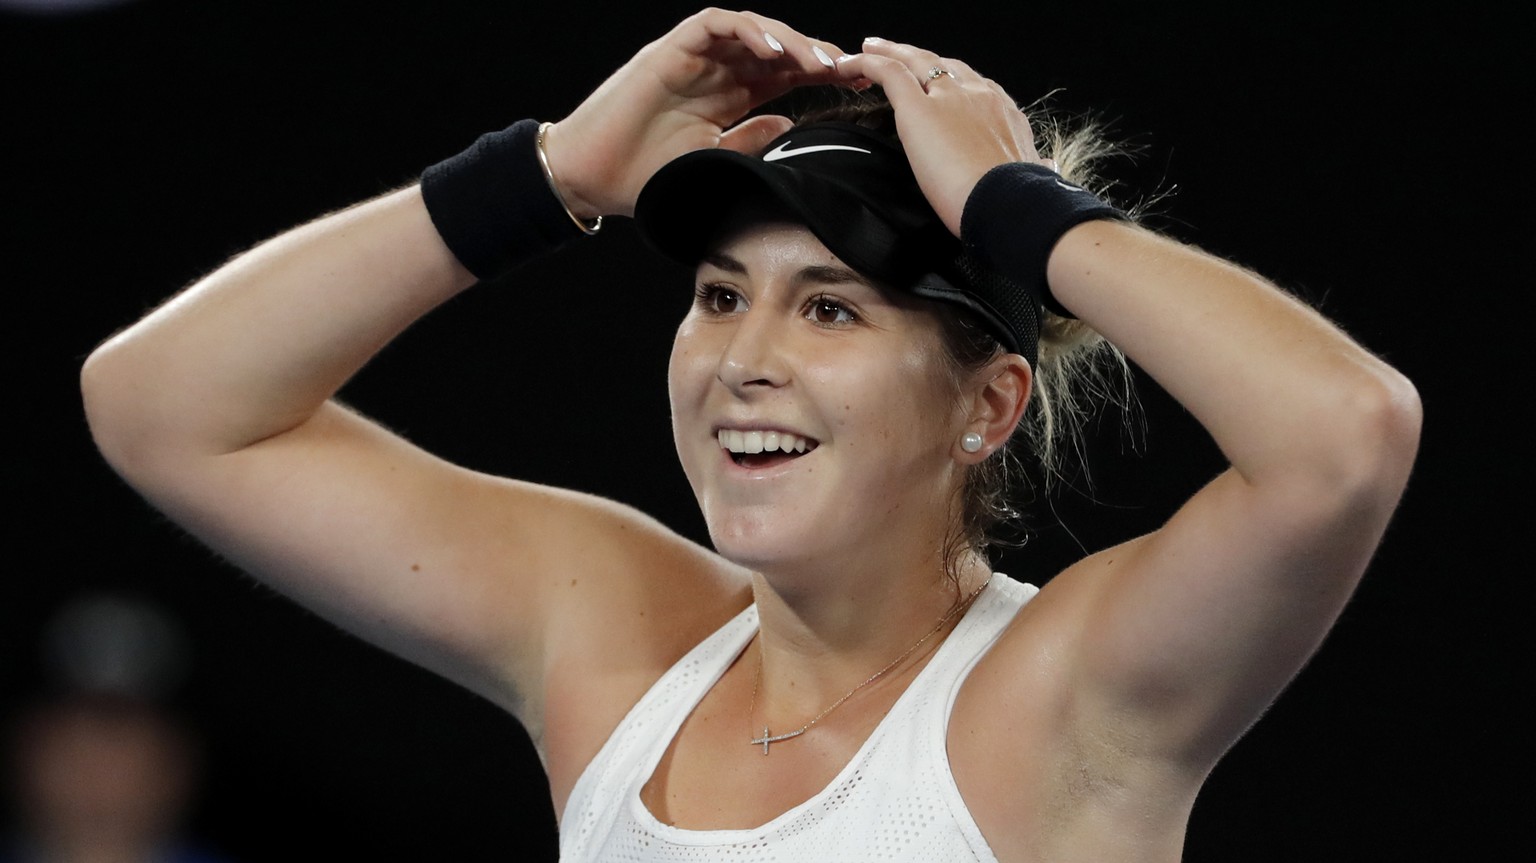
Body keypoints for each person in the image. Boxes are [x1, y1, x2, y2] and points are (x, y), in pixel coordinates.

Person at [79, 9, 1421, 861]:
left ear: (987, 406)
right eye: (722, 298)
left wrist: (1015, 210)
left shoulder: (1071, 694)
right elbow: (165, 407)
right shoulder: (619, 634)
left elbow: (1344, 433)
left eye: (830, 311)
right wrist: (547, 179)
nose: (744, 363)